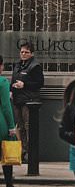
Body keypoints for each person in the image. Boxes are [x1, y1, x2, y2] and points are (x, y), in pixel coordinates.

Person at [10, 41, 44, 162]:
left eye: (26, 52)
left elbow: (40, 83)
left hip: (29, 101)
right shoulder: (18, 65)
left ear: (32, 54)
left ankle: (31, 154)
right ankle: (23, 152)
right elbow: (13, 79)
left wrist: (24, 84)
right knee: (20, 127)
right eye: (22, 52)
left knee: (29, 127)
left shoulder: (35, 66)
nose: (23, 54)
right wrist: (11, 91)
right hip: (17, 100)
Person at [0, 56, 15, 187]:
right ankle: (9, 183)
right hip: (1, 123)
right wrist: (11, 126)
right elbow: (6, 107)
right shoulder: (3, 82)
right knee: (6, 152)